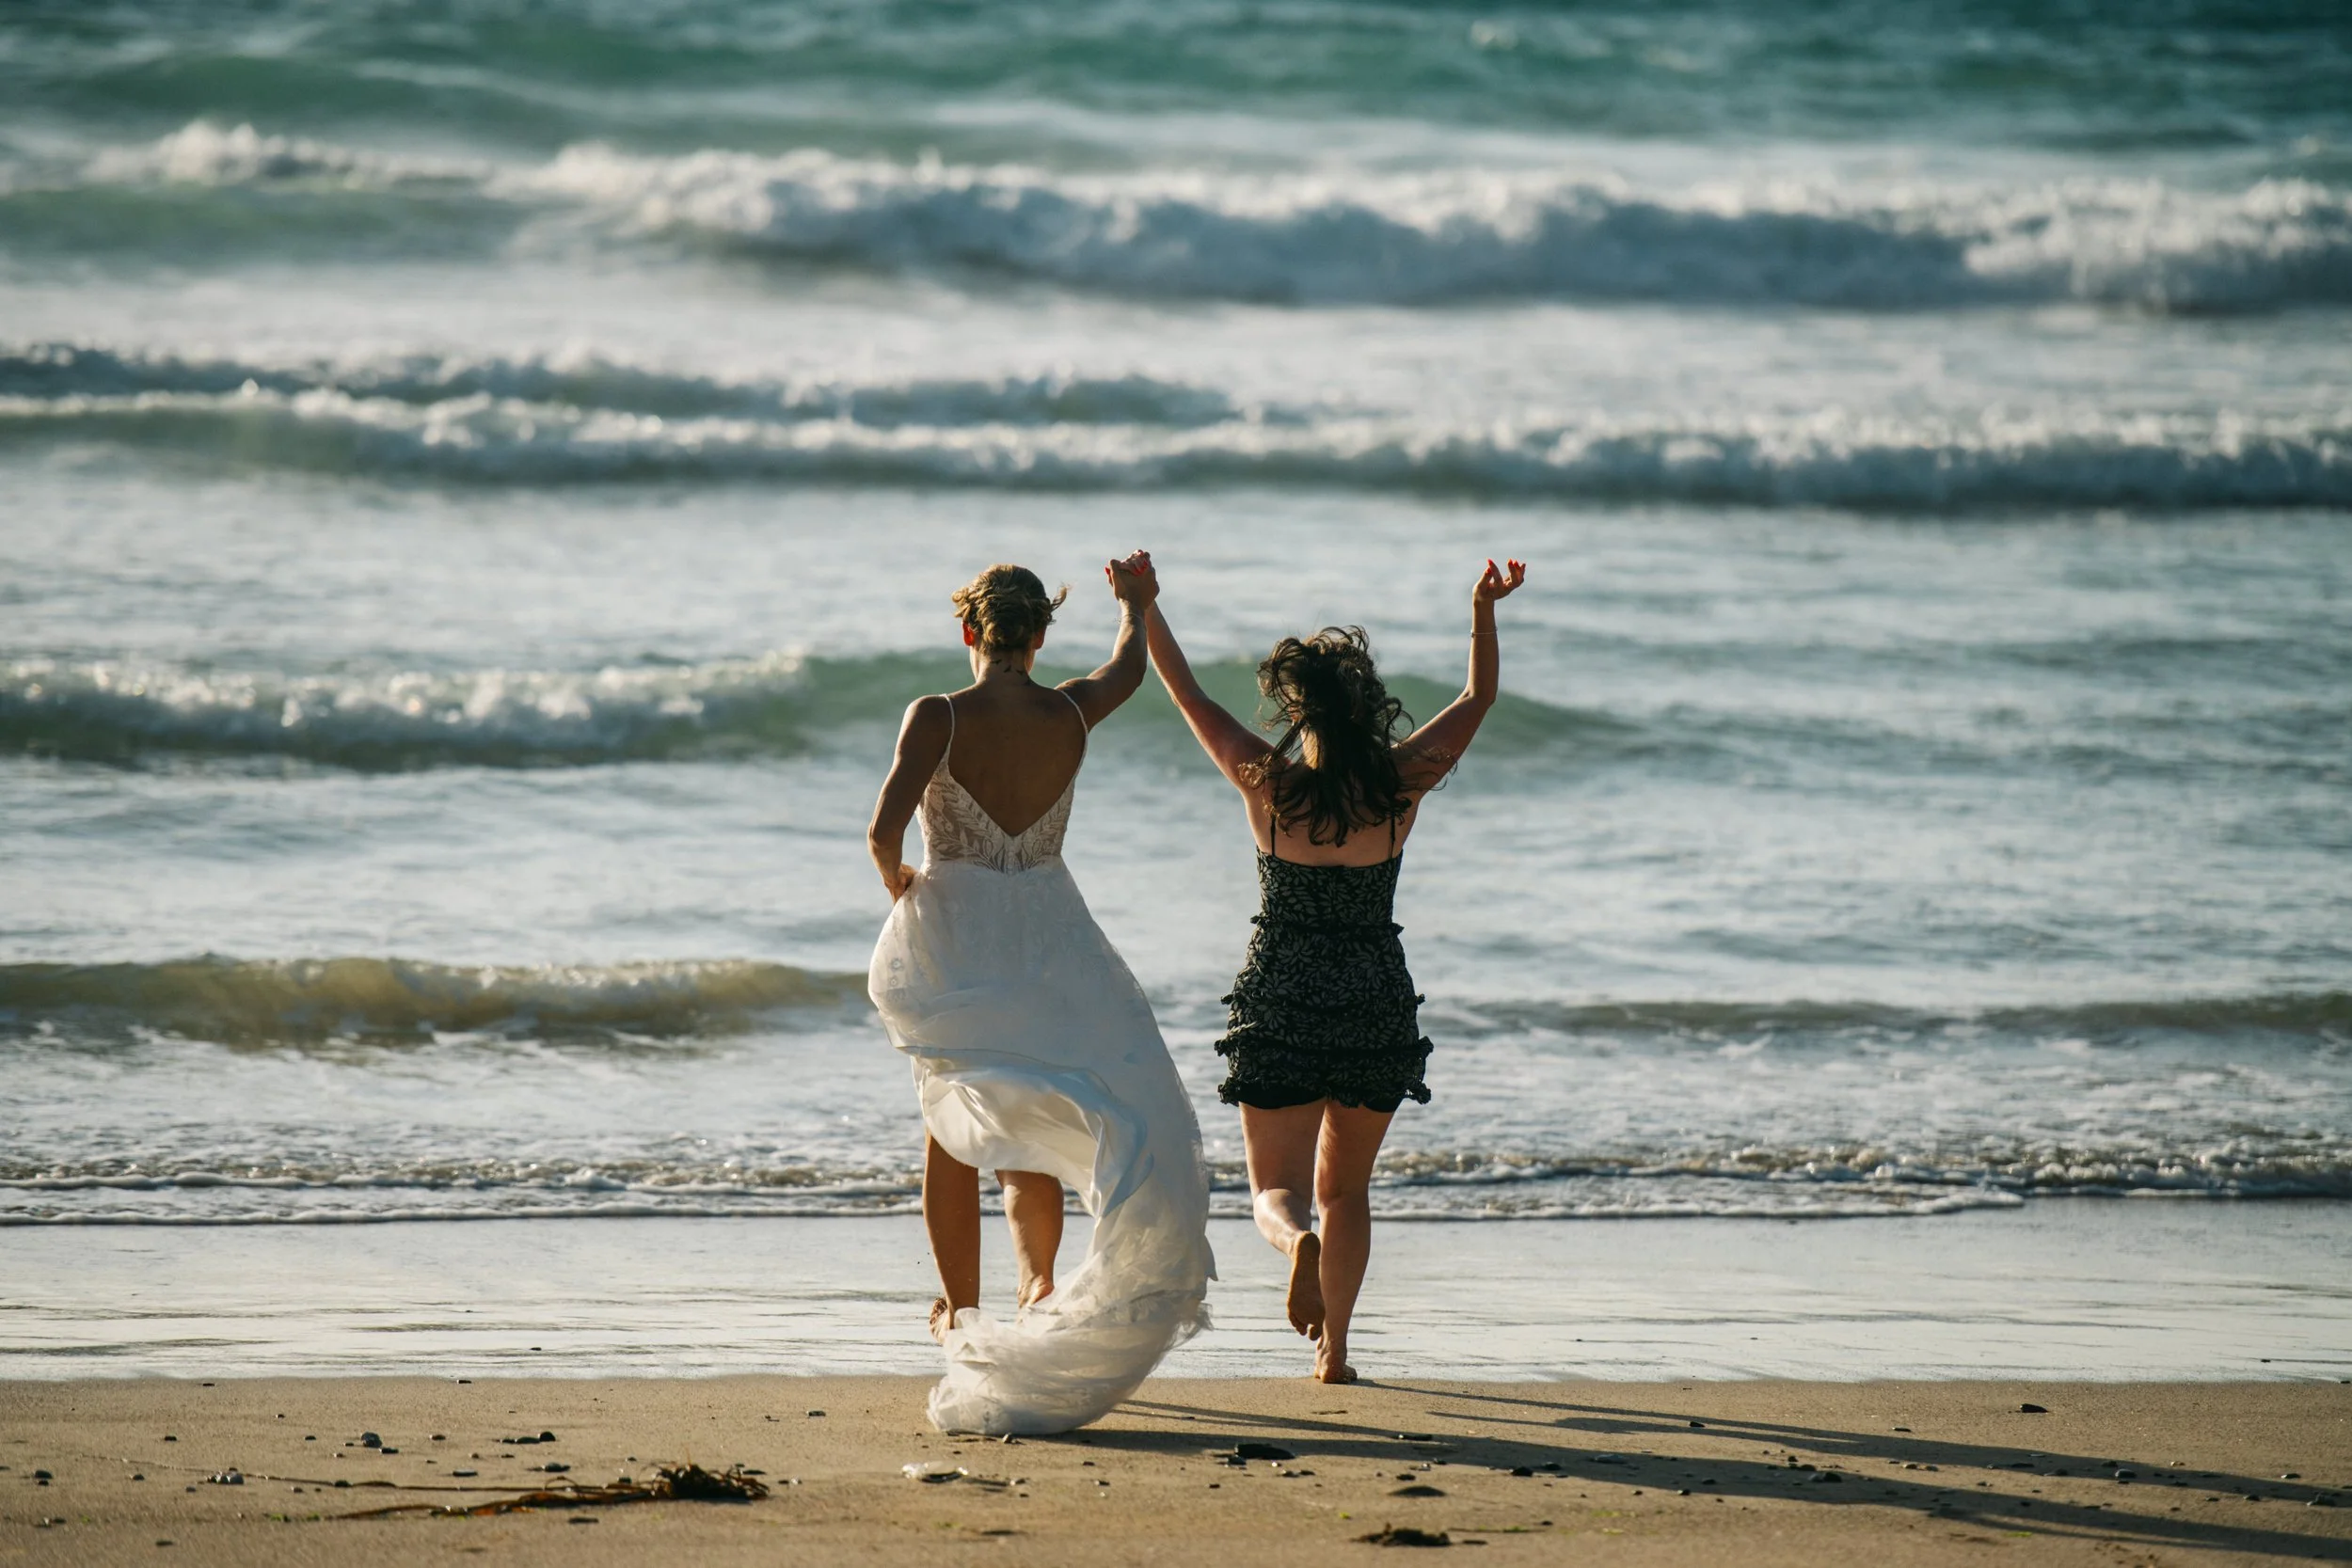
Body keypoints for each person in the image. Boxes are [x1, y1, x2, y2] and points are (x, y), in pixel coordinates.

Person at [1146, 558, 1526, 1383]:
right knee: (1347, 1189)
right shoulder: (1399, 787)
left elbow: (1188, 695)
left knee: (1275, 1191)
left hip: (1281, 991)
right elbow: (1478, 698)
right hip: (1373, 995)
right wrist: (1482, 608)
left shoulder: (1270, 785)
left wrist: (1143, 607)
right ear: (1365, 707)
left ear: (1297, 711)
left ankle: (1296, 1244)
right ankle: (1337, 1351)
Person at [866, 552, 1214, 1433]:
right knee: (1032, 1115)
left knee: (953, 1119)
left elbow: (882, 828)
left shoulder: (938, 715)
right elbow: (1128, 669)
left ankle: (959, 1310)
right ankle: (1036, 1282)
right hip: (1054, 934)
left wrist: (902, 885)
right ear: (1041, 636)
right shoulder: (1070, 711)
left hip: (962, 930)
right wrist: (1136, 604)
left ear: (969, 629)